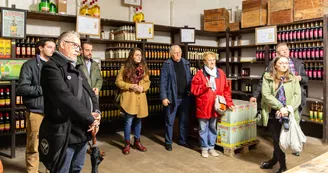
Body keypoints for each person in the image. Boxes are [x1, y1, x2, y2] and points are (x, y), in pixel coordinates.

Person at [39, 31, 101, 173]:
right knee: (62, 170)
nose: (77, 51)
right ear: (62, 44)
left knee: (77, 168)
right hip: (66, 133)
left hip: (83, 130)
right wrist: (90, 118)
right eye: (75, 45)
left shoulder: (76, 69)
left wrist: (97, 113)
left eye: (79, 47)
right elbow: (64, 97)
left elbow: (91, 94)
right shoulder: (51, 68)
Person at [250, 43, 308, 156]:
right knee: (278, 127)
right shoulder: (271, 67)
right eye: (282, 50)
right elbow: (263, 84)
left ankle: (295, 146)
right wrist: (255, 95)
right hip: (277, 103)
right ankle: (280, 148)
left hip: (294, 101)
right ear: (277, 55)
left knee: (294, 122)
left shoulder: (298, 63)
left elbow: (305, 79)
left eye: (286, 49)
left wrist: (301, 78)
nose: (285, 51)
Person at [16, 38, 56, 173]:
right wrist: (43, 89)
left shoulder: (55, 65)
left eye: (54, 47)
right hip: (36, 111)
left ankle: (49, 169)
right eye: (50, 47)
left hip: (53, 112)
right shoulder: (29, 65)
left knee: (53, 144)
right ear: (40, 48)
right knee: (34, 145)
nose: (53, 50)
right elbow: (21, 88)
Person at [260, 56, 301, 173]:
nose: (284, 65)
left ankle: (274, 160)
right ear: (275, 65)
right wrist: (280, 107)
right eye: (281, 63)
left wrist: (287, 109)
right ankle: (283, 166)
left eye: (286, 63)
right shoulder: (267, 77)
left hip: (288, 113)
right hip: (273, 113)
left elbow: (297, 96)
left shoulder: (293, 79)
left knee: (281, 140)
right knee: (277, 139)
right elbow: (266, 95)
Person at [191, 52, 234, 158]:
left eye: (213, 59)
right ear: (204, 62)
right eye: (209, 60)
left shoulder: (220, 73)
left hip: (215, 106)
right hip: (203, 106)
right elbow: (193, 90)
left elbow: (226, 90)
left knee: (213, 127)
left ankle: (211, 147)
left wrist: (229, 102)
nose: (212, 62)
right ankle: (204, 148)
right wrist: (205, 86)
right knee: (203, 128)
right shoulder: (199, 74)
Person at [115, 48, 150, 155]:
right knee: (128, 122)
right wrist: (130, 86)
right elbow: (118, 82)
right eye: (137, 55)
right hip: (129, 98)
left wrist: (142, 88)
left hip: (140, 97)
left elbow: (147, 82)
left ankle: (137, 142)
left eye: (140, 55)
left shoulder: (143, 68)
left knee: (139, 121)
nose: (139, 57)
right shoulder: (125, 67)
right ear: (132, 56)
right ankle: (127, 144)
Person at [160, 45, 192, 151]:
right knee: (170, 120)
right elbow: (163, 82)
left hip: (185, 97)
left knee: (184, 120)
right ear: (171, 53)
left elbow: (190, 79)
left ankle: (183, 141)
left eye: (179, 52)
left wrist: (191, 91)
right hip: (172, 97)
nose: (178, 54)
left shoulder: (186, 63)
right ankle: (168, 142)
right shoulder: (167, 64)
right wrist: (164, 97)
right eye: (175, 52)